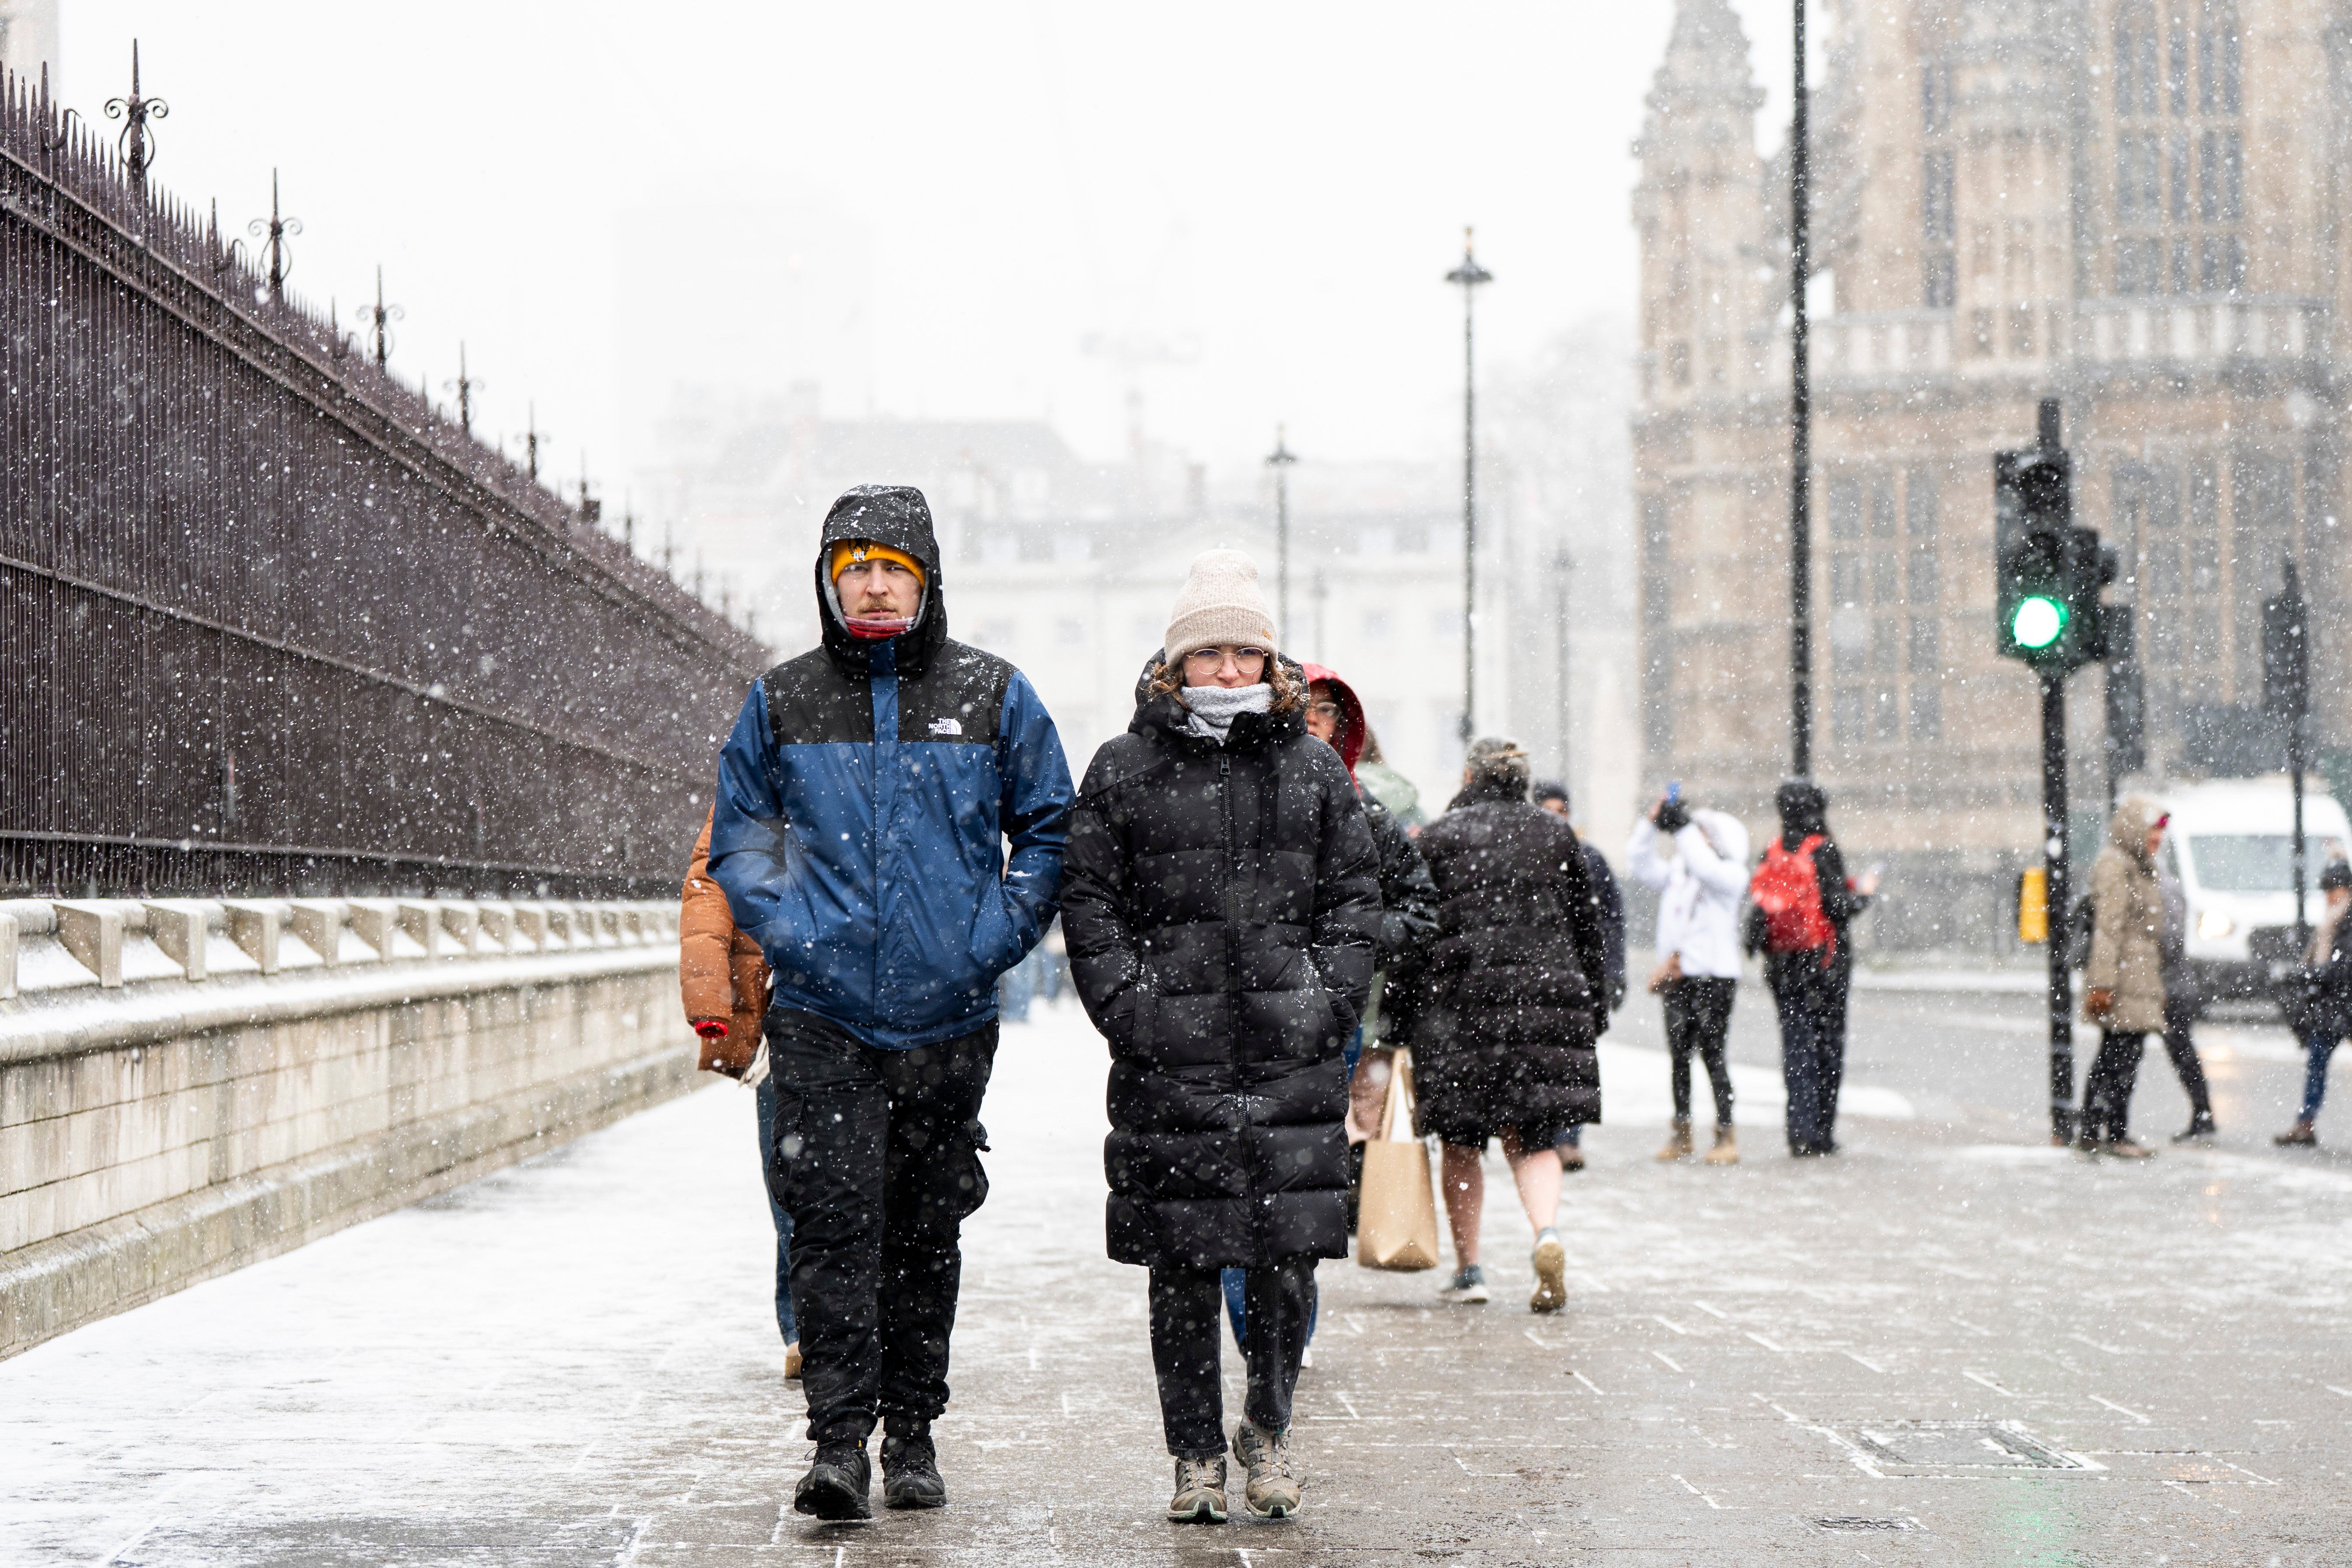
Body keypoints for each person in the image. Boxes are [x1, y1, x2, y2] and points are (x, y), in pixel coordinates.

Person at [708, 485, 1075, 1520]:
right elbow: (739, 833)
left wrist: (991, 937)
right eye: (853, 567)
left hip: (946, 1013)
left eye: (891, 568)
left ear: (924, 581)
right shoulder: (782, 699)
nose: (871, 584)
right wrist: (790, 928)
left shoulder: (992, 693)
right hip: (822, 1011)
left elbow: (1047, 829)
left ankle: (911, 1430)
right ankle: (836, 1443)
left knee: (922, 1224)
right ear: (828, 582)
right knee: (830, 1224)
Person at [1060, 550, 1380, 1525]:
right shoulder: (1124, 769)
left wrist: (1325, 1005)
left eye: (1249, 653)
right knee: (1184, 1272)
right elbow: (1090, 901)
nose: (1232, 673)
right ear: (1177, 665)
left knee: (1288, 1265)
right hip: (1176, 1061)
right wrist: (1136, 1011)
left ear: (1272, 664)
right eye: (1212, 655)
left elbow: (1356, 899)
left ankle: (1269, 1430)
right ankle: (1195, 1455)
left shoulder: (1315, 770)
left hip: (1290, 1058)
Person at [1218, 662, 1438, 1365]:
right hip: (1226, 1023)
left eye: (1325, 714)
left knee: (1299, 1181)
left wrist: (1348, 952)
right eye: (1302, 709)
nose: (1312, 723)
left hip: (1330, 1025)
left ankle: (1285, 1335)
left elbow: (1420, 912)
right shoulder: (1230, 799)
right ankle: (1257, 1335)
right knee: (1229, 1181)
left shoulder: (1363, 812)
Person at [1414, 738, 1609, 1314]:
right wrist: (1593, 1000)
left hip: (1461, 1004)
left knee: (1462, 1138)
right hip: (1545, 1002)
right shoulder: (1555, 834)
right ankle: (1545, 1234)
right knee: (1536, 1134)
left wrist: (1402, 1017)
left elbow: (1418, 931)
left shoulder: (1440, 837)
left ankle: (1469, 1268)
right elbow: (1586, 926)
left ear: (1470, 774)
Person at [681, 811, 797, 1378]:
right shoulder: (748, 787)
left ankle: (822, 1320)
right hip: (776, 1017)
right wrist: (709, 1009)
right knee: (789, 1173)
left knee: (810, 1173)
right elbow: (705, 901)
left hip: (837, 1004)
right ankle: (804, 1326)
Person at [1746, 780, 1877, 1156]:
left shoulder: (1770, 851)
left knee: (1795, 1047)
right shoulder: (1823, 850)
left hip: (1783, 965)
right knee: (1827, 1048)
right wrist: (1862, 895)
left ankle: (1798, 1130)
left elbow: (1762, 907)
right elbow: (1837, 907)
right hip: (1825, 967)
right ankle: (1820, 1133)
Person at [1627, 791, 1750, 1166]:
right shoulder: (1680, 874)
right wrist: (1651, 823)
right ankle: (1681, 1132)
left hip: (1715, 977)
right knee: (1679, 1057)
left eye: (1705, 834)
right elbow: (1639, 863)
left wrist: (1682, 828)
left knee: (1714, 1056)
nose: (1696, 840)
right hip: (1679, 977)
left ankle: (1725, 1133)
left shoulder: (1730, 875)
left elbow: (1706, 866)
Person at [1533, 779, 1626, 1172]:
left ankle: (1568, 1139)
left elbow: (1611, 920)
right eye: (1549, 811)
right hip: (1540, 974)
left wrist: (1613, 972)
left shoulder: (1589, 859)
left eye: (1562, 812)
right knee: (1540, 1058)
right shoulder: (1529, 858)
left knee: (1572, 1058)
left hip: (1577, 974)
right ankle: (1542, 1136)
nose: (1557, 819)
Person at [2078, 798, 2168, 1158]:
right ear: (2134, 828)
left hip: (2139, 978)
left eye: (2161, 831)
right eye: (2152, 830)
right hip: (2124, 979)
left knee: (2123, 1057)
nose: (2158, 838)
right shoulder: (2118, 865)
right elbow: (2108, 929)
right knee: (2117, 1057)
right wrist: (2102, 983)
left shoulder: (2140, 866)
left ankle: (2102, 1131)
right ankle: (2108, 1132)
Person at [2277, 859, 2352, 1146]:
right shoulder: (2332, 921)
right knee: (2317, 1062)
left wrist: (2306, 974)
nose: (2331, 894)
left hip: (2342, 1005)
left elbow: (2339, 968)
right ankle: (2305, 1124)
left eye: (2337, 887)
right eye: (2327, 888)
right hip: (2335, 1007)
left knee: (2317, 1062)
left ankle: (2305, 1124)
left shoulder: (2344, 921)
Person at [2156, 853, 2218, 1143]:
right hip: (2168, 985)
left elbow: (2170, 938)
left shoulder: (2162, 887)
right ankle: (2203, 1113)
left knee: (2180, 1051)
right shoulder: (2164, 884)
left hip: (2168, 987)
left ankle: (2203, 1113)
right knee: (2179, 1051)